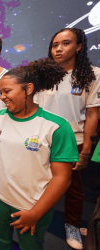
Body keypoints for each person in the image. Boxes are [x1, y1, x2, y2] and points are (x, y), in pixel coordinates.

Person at [0, 58, 79, 250]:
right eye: (1, 92)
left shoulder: (57, 126)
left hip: (31, 205)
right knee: (0, 243)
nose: (2, 96)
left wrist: (36, 212)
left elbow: (62, 178)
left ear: (29, 89)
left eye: (7, 91)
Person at [34, 28, 100, 250]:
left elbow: (92, 114)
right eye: (55, 45)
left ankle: (72, 226)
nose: (58, 49)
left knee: (73, 189)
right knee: (38, 183)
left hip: (74, 139)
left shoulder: (93, 74)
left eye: (65, 43)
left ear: (79, 46)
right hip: (41, 139)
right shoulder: (42, 76)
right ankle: (36, 218)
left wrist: (87, 148)